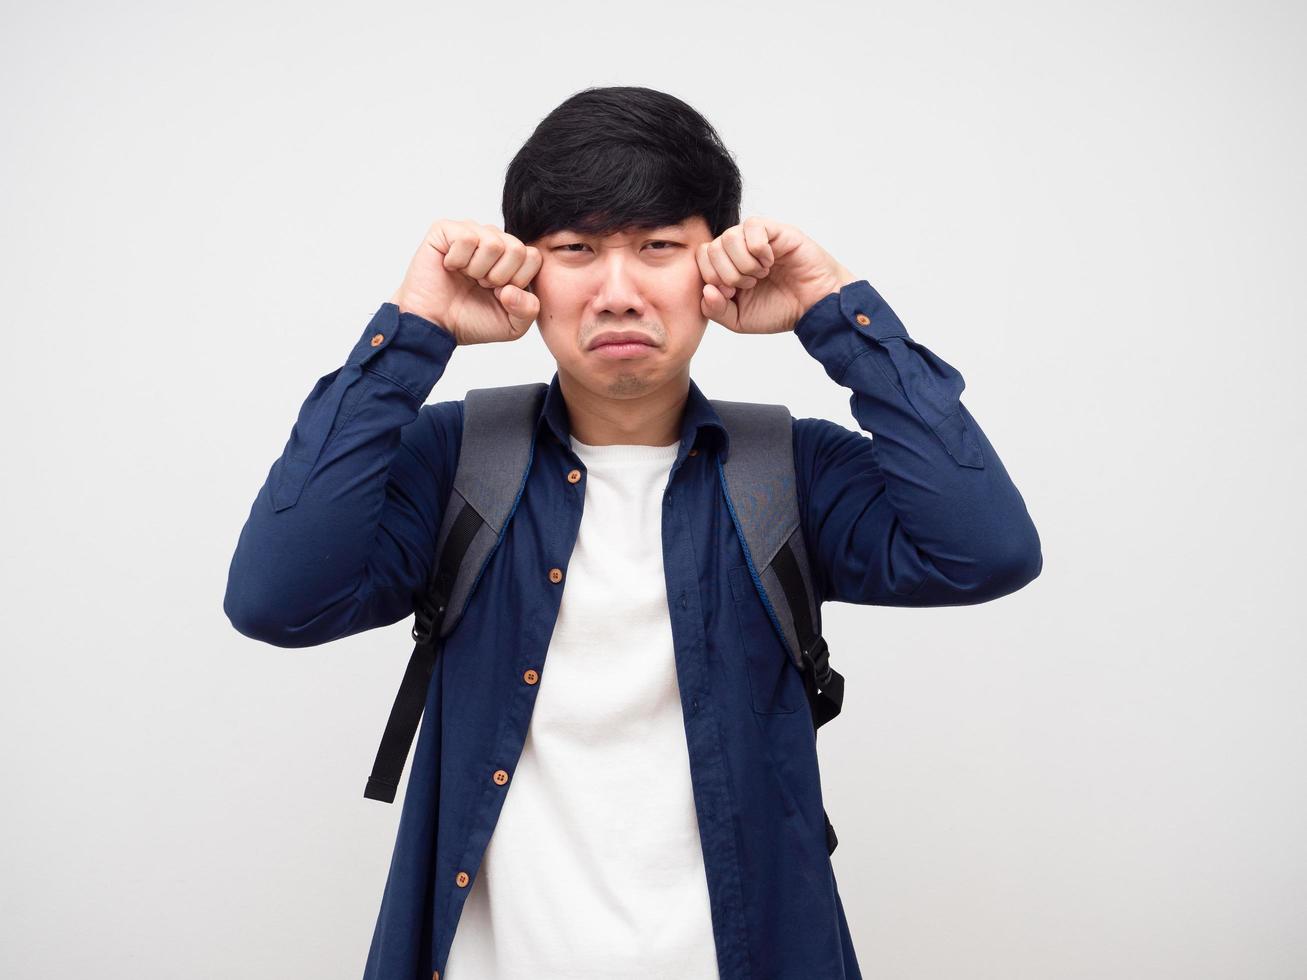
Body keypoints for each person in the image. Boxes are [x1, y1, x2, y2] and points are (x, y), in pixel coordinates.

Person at [223, 85, 1042, 980]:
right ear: (524, 270)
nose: (617, 291)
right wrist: (415, 330)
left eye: (659, 247)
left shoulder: (785, 470)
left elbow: (985, 550)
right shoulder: (454, 459)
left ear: (716, 264)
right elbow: (277, 599)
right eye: (575, 250)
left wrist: (830, 310)